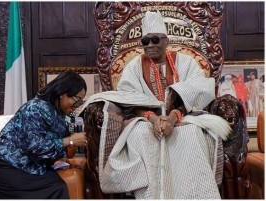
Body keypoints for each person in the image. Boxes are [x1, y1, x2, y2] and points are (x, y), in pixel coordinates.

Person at [81, 10, 230, 199]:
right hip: (144, 119)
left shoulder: (185, 62)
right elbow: (128, 98)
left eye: (155, 40)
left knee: (191, 134)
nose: (150, 45)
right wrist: (152, 118)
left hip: (182, 116)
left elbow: (197, 91)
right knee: (141, 135)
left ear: (166, 41)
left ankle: (191, 194)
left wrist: (172, 117)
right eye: (145, 42)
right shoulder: (134, 66)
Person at [0, 70, 88, 199]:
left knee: (57, 186)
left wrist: (63, 159)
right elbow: (35, 147)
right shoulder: (35, 108)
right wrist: (70, 141)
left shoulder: (58, 112)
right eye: (77, 100)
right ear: (62, 93)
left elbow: (52, 144)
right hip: (4, 163)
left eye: (81, 102)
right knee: (55, 189)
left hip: (27, 163)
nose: (77, 106)